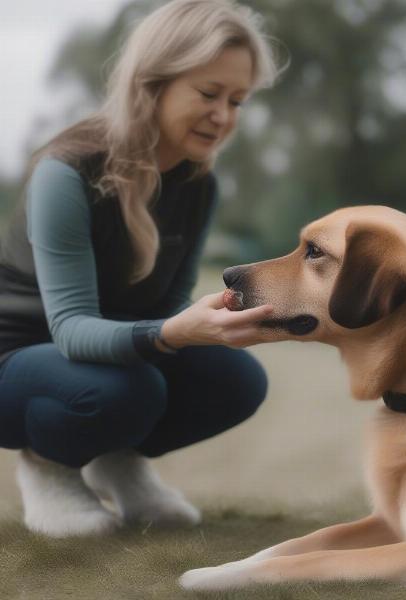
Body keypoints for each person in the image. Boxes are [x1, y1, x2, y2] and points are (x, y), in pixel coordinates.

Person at [0, 0, 282, 537]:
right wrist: (173, 333)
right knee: (128, 391)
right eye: (208, 94)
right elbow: (71, 330)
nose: (224, 116)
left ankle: (117, 460)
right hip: (18, 361)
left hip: (107, 365)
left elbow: (166, 306)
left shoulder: (201, 184)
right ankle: (48, 465)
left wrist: (214, 324)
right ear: (153, 84)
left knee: (237, 380)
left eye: (237, 100)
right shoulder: (66, 172)